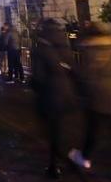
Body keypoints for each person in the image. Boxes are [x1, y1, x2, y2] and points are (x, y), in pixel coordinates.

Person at [68, 22, 111, 182]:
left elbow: (86, 76)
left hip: (97, 99)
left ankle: (84, 158)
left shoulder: (90, 50)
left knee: (93, 132)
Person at [30, 18, 76, 179]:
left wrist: (34, 85)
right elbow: (72, 68)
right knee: (62, 129)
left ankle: (55, 163)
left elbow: (38, 77)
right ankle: (65, 158)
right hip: (66, 93)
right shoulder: (64, 44)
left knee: (51, 131)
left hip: (48, 95)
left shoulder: (40, 48)